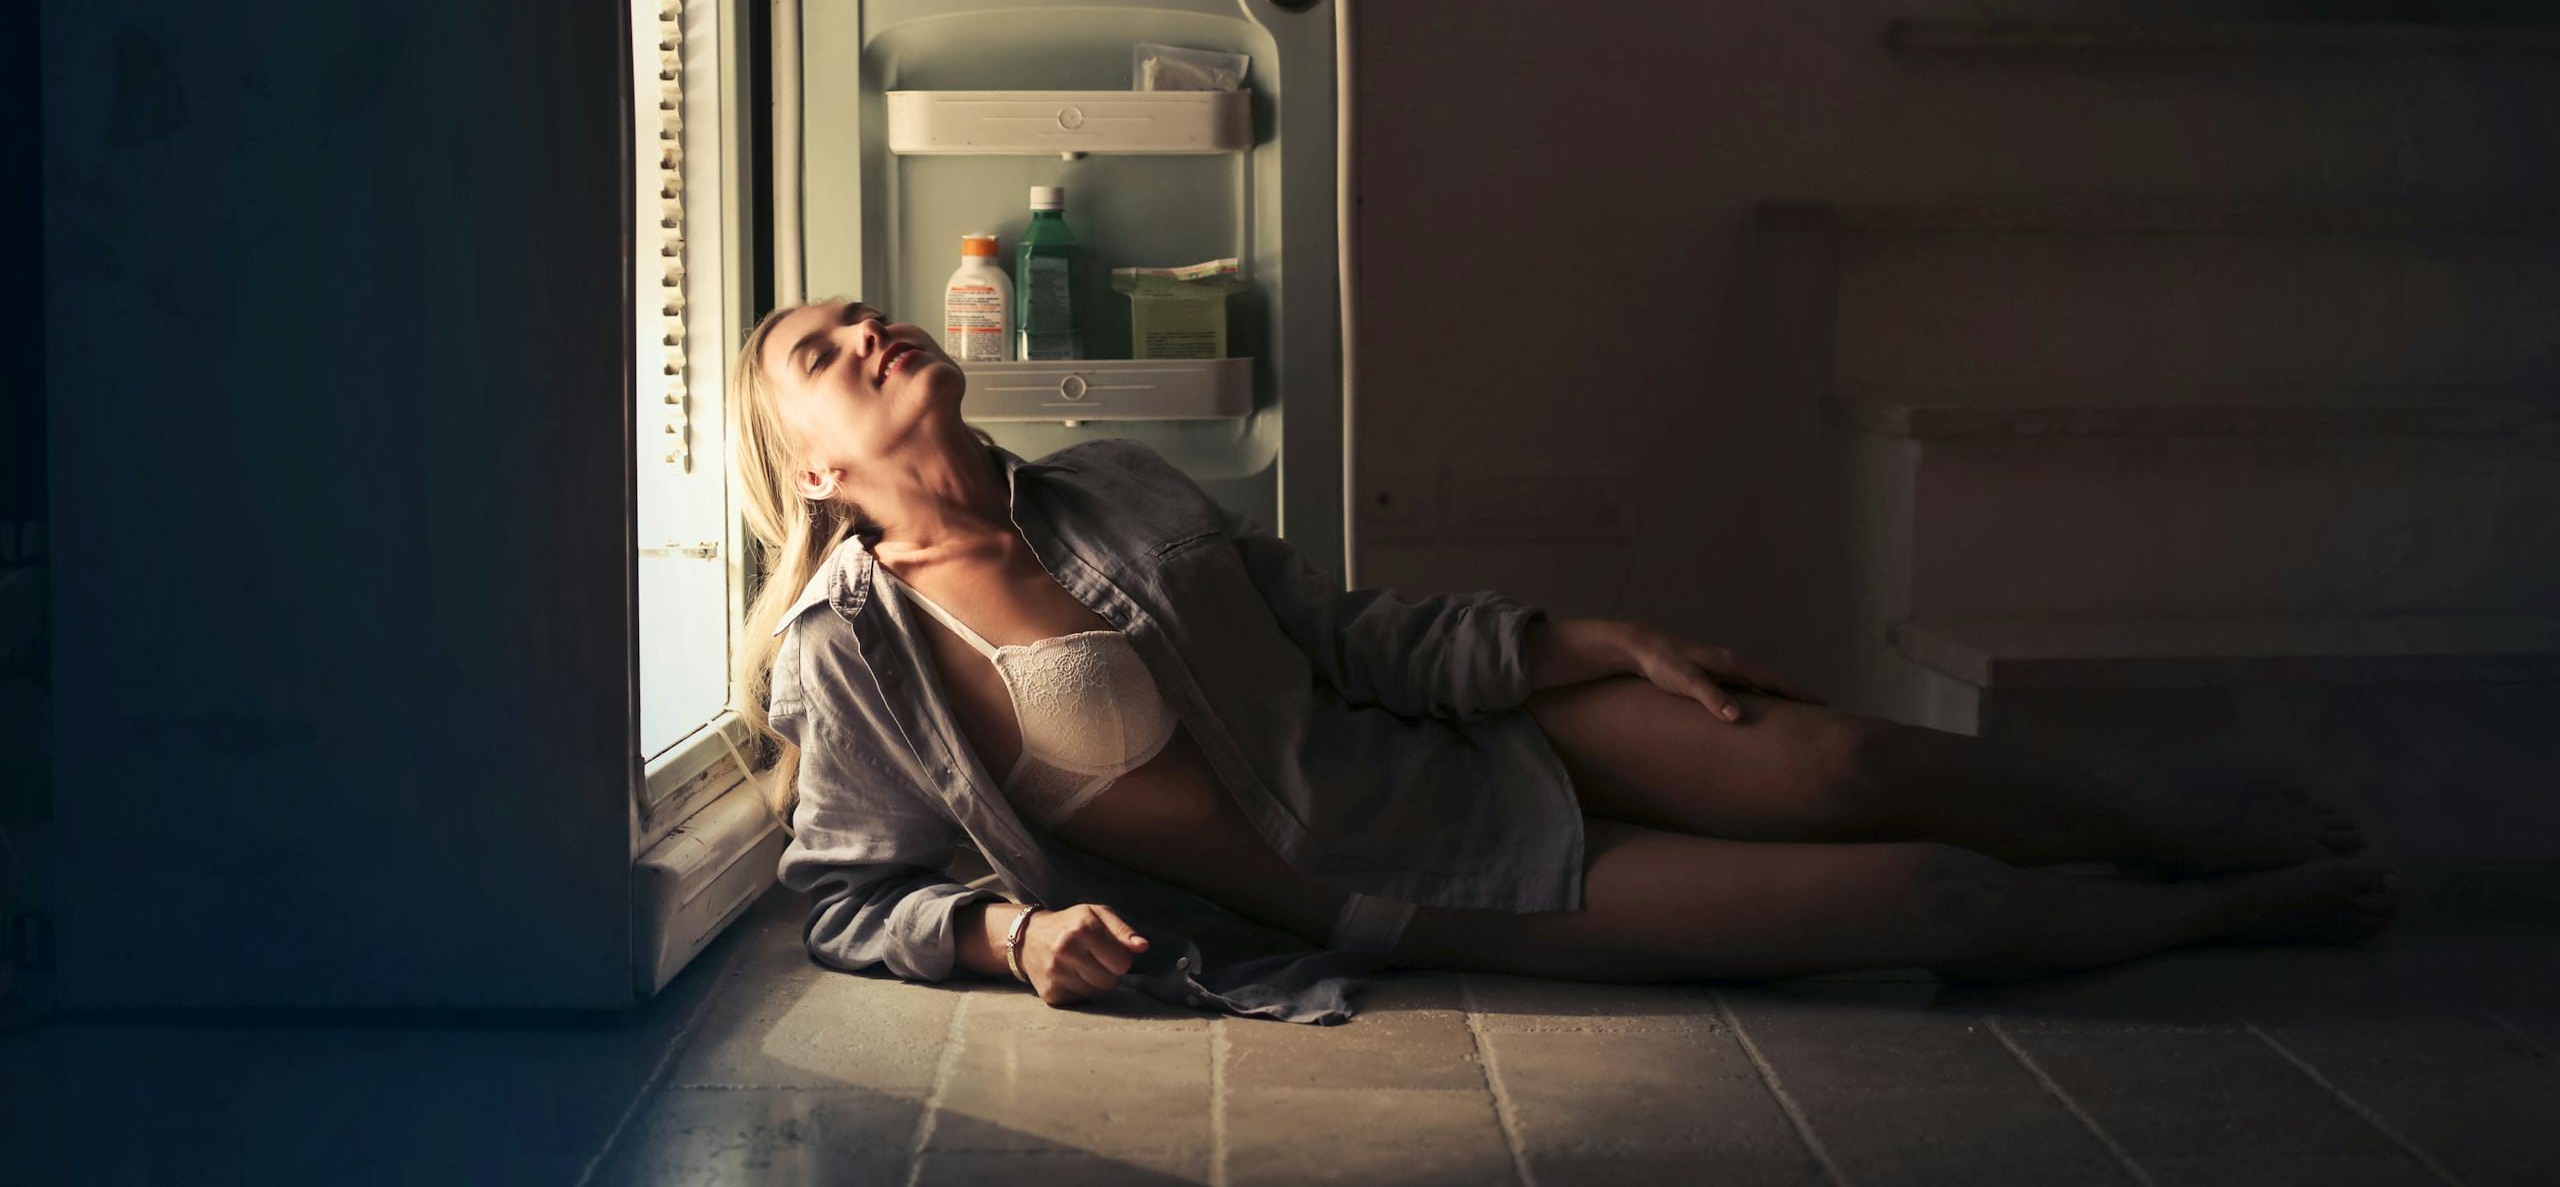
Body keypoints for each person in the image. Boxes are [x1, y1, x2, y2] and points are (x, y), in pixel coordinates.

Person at [726, 296, 2399, 1023]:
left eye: (867, 312)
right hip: (1400, 875)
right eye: (820, 347)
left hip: (1460, 738)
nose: (868, 330)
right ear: (808, 463)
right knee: (1924, 907)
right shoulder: (857, 654)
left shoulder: (1114, 484)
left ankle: (2193, 826)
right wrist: (1010, 936)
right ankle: (2227, 908)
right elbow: (850, 896)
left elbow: (1347, 634)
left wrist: (1600, 639)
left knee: (1845, 758)